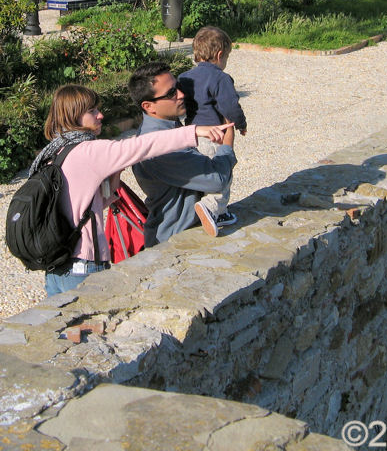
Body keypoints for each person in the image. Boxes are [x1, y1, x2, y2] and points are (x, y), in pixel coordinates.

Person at [33, 83, 230, 296]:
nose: (100, 115)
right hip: (83, 265)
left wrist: (114, 173)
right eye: (92, 111)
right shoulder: (89, 151)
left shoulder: (53, 152)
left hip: (55, 267)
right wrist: (193, 131)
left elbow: (90, 202)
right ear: (73, 116)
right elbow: (142, 145)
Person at [129, 61, 237, 247]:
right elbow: (217, 179)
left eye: (178, 87)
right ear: (148, 106)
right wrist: (229, 139)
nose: (181, 94)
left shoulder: (164, 128)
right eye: (171, 93)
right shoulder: (160, 147)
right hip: (174, 240)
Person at [178, 26, 244, 236]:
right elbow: (230, 107)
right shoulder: (221, 78)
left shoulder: (184, 77)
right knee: (221, 172)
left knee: (201, 175)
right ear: (220, 54)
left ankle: (207, 210)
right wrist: (241, 123)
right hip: (214, 136)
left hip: (191, 134)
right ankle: (213, 207)